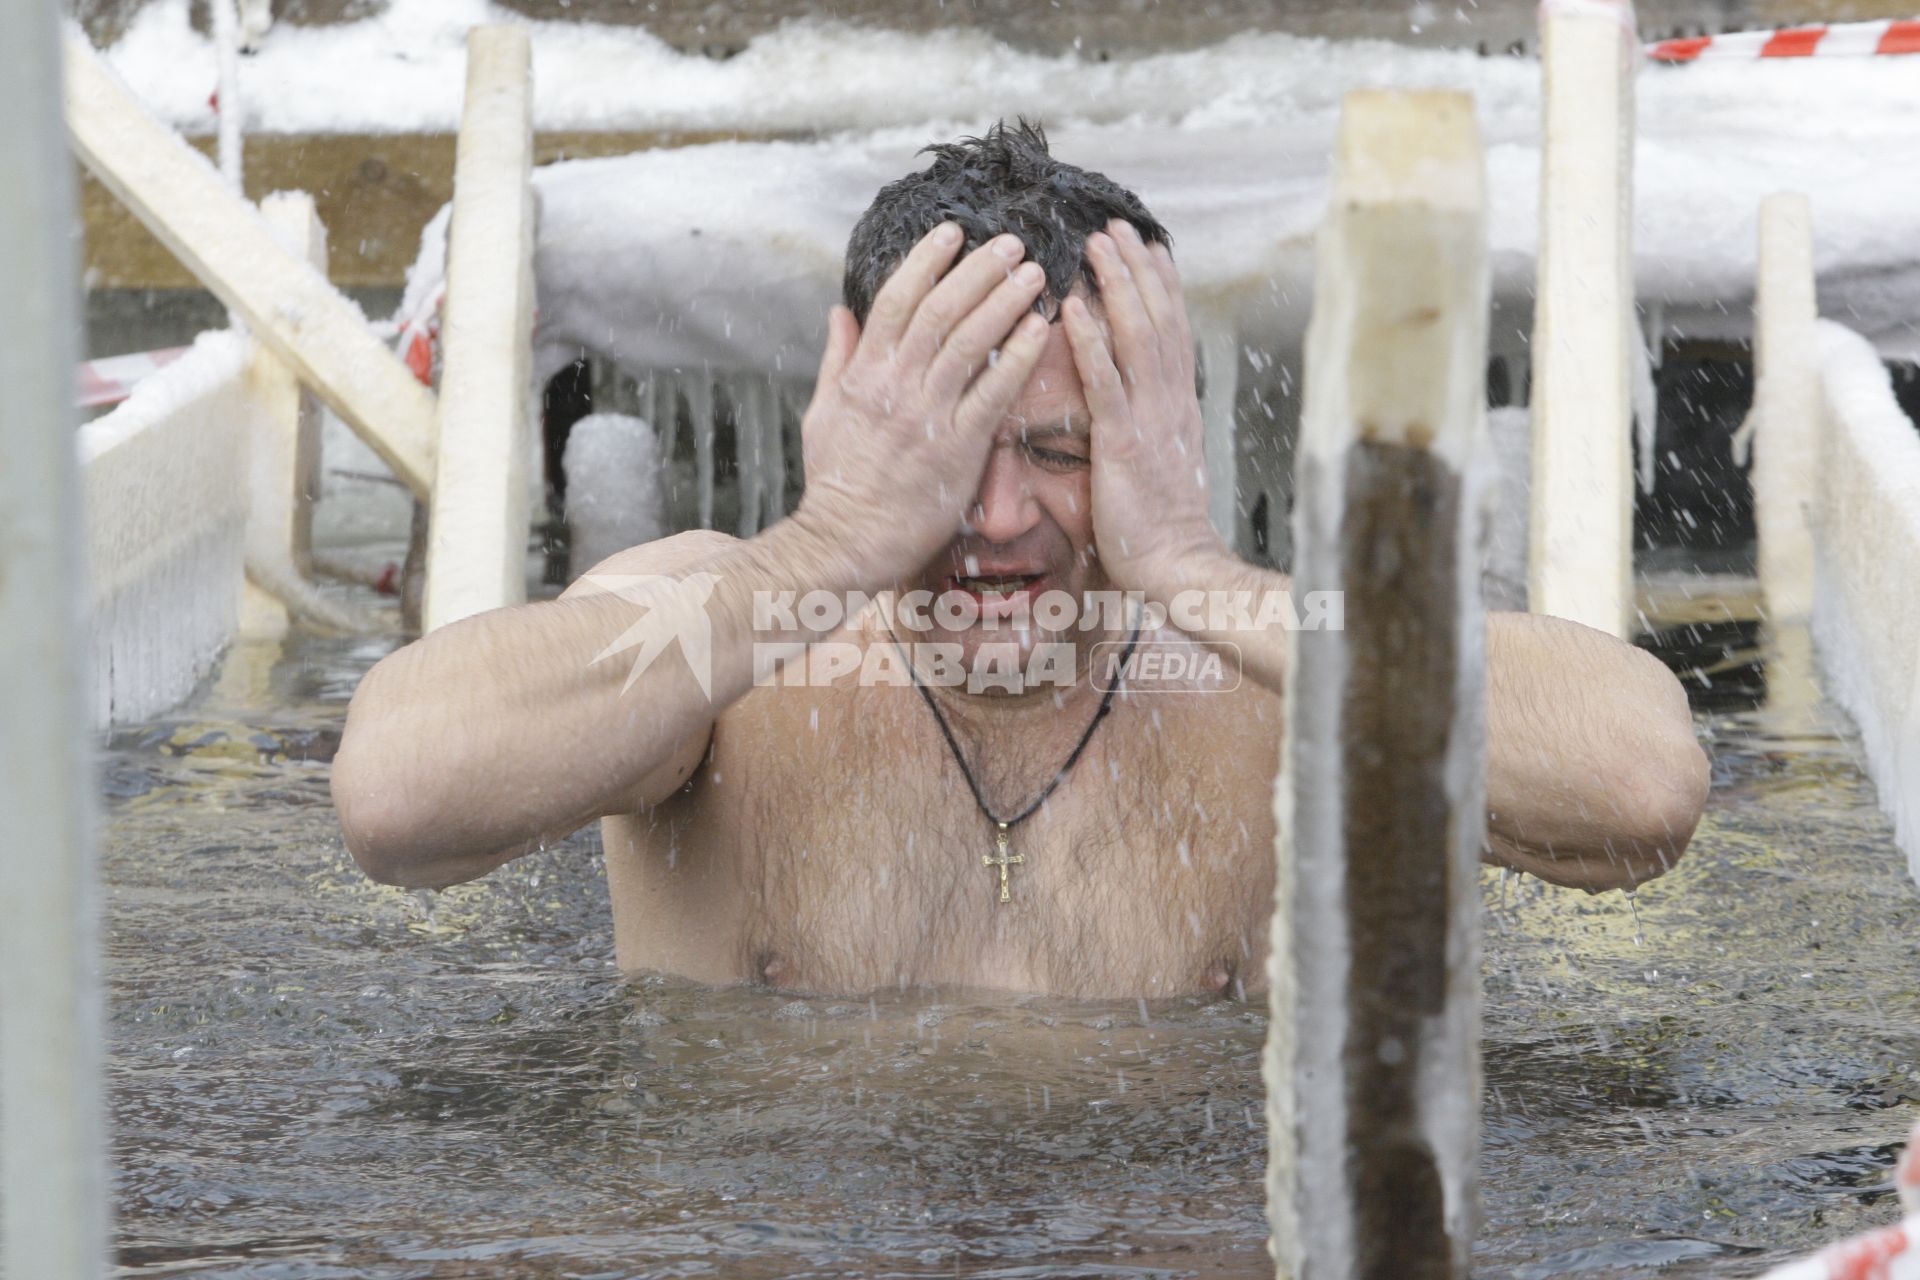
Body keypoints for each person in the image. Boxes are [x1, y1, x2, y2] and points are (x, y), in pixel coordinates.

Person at [330, 121, 1709, 999]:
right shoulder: (723, 646)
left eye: (1058, 449)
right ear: (852, 411)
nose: (995, 519)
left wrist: (1190, 567)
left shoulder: (1274, 664)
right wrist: (835, 543)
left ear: (1156, 433)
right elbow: (395, 794)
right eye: (942, 453)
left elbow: (1640, 785)